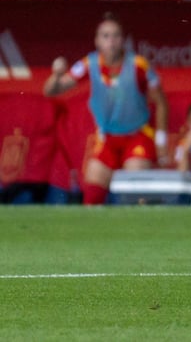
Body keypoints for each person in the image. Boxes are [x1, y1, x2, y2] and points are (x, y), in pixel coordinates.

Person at [43, 14, 170, 205]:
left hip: (137, 136)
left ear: (123, 40)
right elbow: (51, 91)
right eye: (106, 36)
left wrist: (161, 140)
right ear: (97, 41)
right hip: (107, 139)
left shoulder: (138, 65)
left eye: (116, 36)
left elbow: (161, 102)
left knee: (136, 191)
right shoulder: (89, 64)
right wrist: (56, 75)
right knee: (92, 194)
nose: (111, 41)